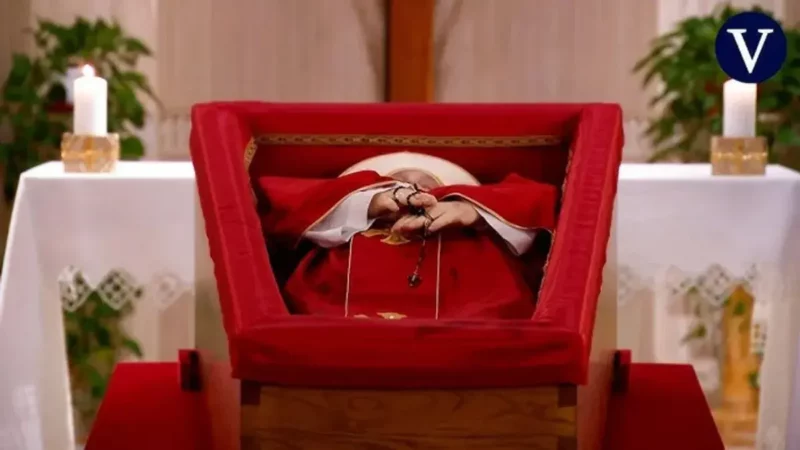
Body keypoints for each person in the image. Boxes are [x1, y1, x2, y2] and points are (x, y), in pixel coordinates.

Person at [256, 152, 557, 320]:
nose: (415, 188)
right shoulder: (343, 225)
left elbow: (535, 205)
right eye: (397, 181)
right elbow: (287, 210)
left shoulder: (473, 231)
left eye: (428, 183)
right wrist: (372, 203)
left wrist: (471, 211)